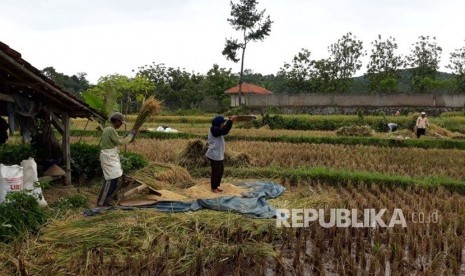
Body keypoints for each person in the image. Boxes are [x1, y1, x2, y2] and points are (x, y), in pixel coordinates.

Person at [97, 112, 136, 206]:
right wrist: (130, 136)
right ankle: (102, 203)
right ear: (117, 121)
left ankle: (110, 199)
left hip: (111, 156)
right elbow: (120, 142)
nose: (121, 124)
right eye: (121, 122)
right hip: (109, 157)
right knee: (110, 180)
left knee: (115, 178)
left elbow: (118, 138)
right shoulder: (110, 129)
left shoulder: (110, 129)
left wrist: (127, 135)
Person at [205, 115, 237, 193]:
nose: (223, 124)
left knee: (220, 171)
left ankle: (217, 186)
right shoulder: (214, 129)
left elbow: (223, 129)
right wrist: (230, 121)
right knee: (216, 172)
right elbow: (224, 131)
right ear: (219, 123)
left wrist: (229, 121)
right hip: (214, 154)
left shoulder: (217, 128)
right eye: (223, 123)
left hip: (218, 154)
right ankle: (213, 188)